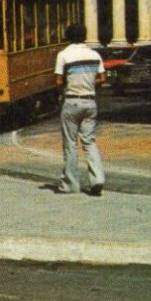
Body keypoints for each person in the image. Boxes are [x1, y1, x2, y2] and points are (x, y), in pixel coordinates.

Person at [52, 22, 106, 195]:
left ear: (68, 36)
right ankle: (98, 179)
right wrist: (90, 83)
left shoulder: (64, 55)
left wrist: (65, 90)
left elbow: (59, 81)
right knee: (89, 142)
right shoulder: (95, 55)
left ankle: (71, 184)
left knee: (70, 144)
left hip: (72, 101)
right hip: (90, 102)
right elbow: (102, 78)